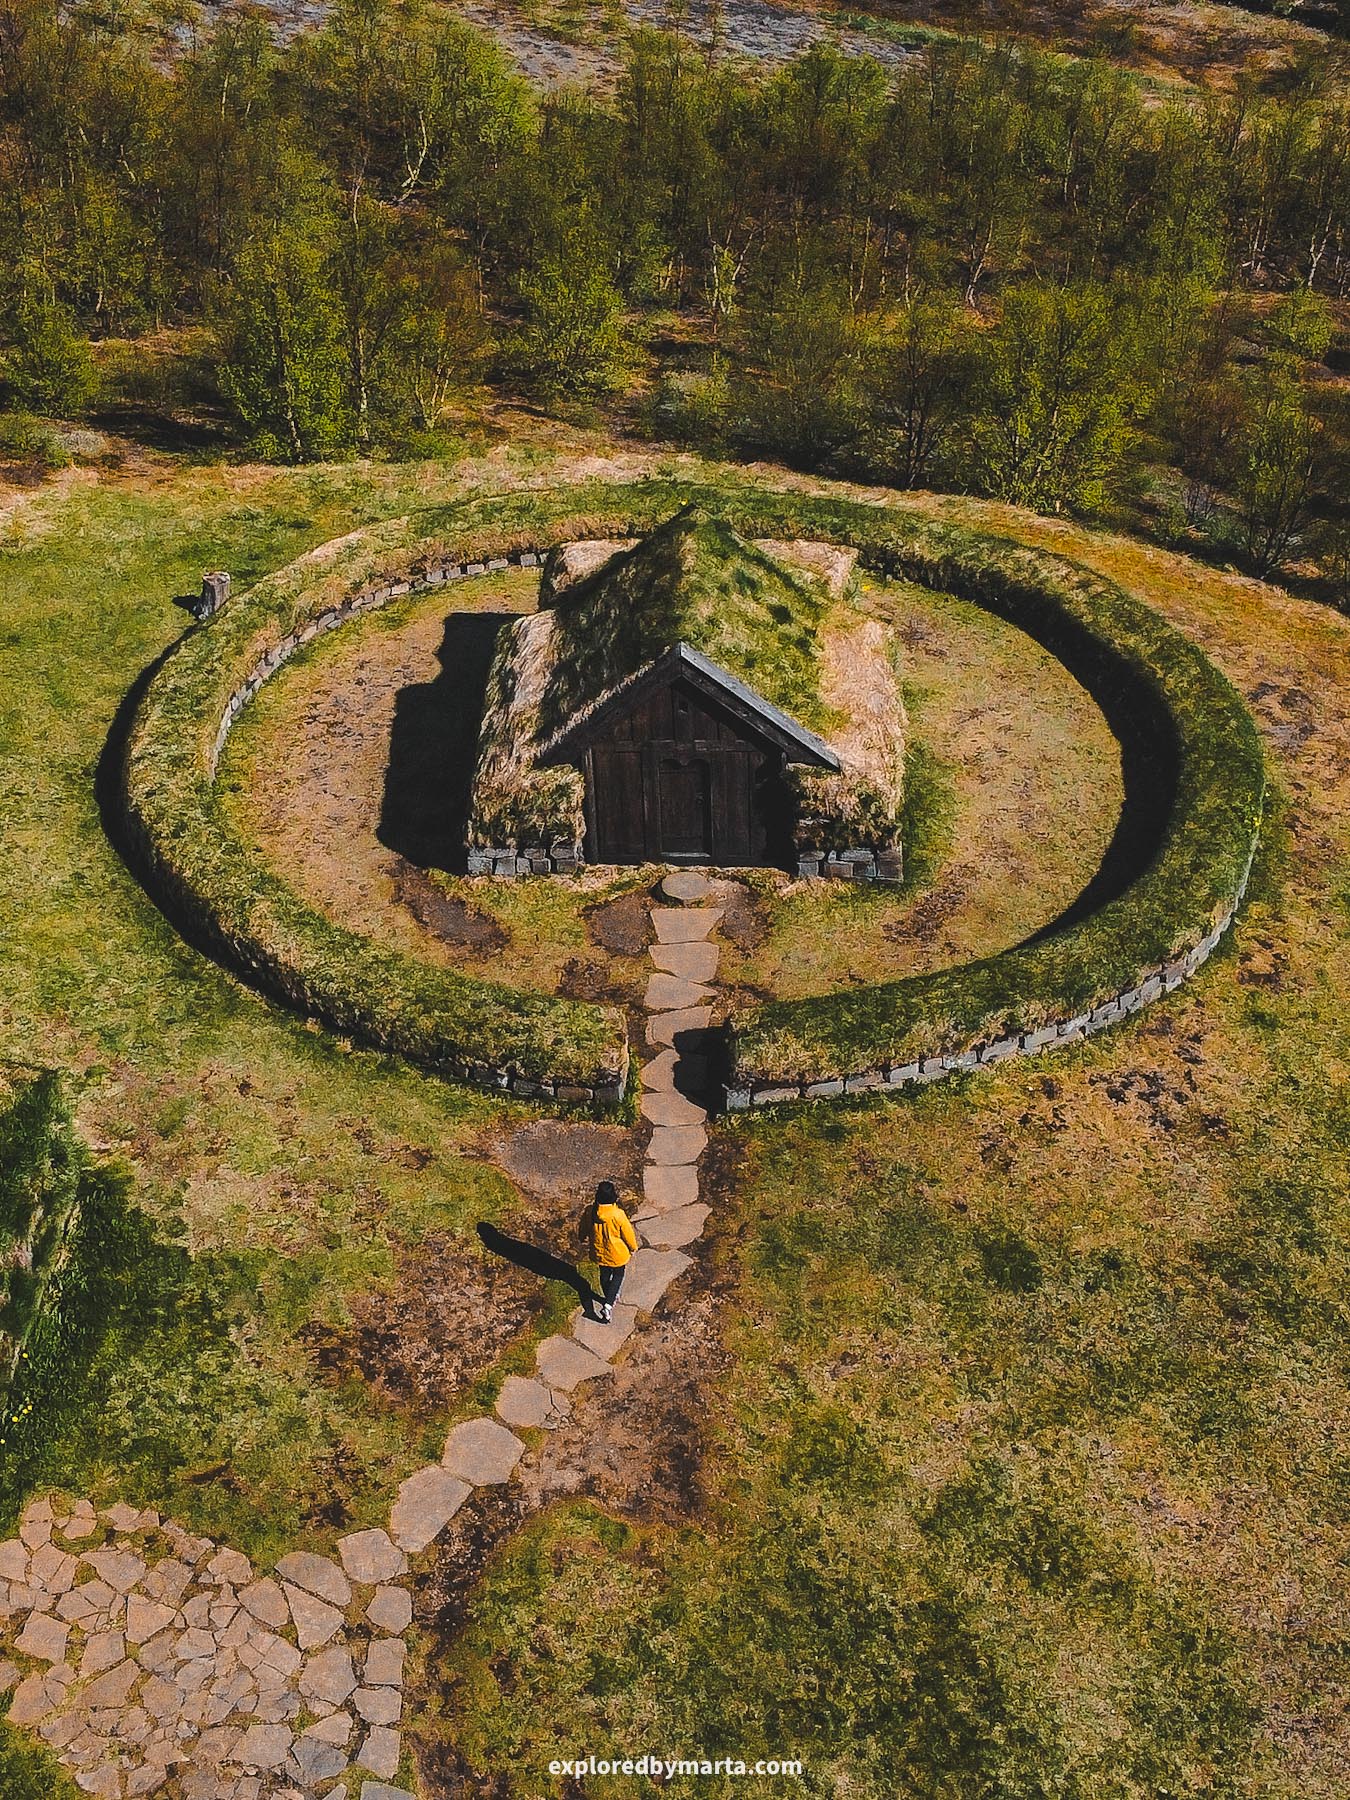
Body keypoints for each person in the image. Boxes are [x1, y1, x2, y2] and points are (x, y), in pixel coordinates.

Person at [581, 1180, 638, 1322]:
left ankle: (609, 1296)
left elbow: (584, 1227)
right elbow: (627, 1233)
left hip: (599, 1252)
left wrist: (582, 1237)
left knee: (604, 1276)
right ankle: (608, 1304)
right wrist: (633, 1247)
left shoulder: (590, 1211)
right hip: (617, 1254)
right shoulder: (617, 1214)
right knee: (618, 1275)